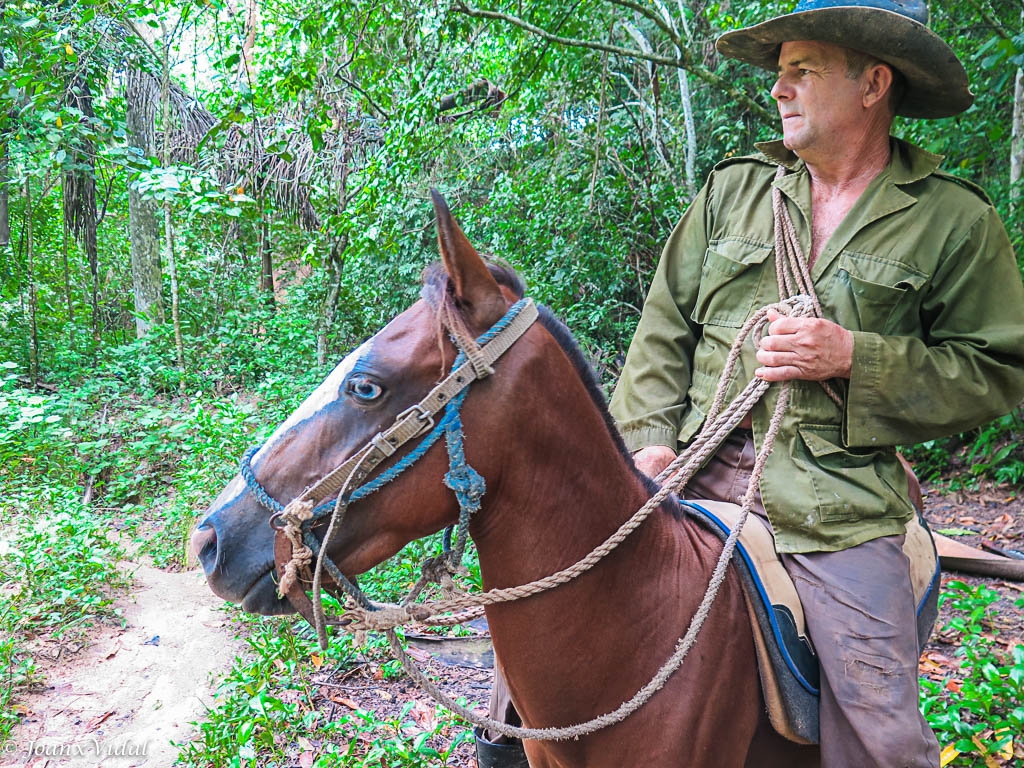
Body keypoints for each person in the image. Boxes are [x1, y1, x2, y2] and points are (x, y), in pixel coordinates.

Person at [609, 0, 1024, 765]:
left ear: (873, 84)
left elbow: (997, 371)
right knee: (544, 642)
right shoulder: (736, 191)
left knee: (883, 736)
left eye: (803, 70)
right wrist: (648, 443)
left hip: (834, 505)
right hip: (698, 465)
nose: (779, 89)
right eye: (780, 72)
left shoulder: (950, 220)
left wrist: (852, 358)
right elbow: (662, 328)